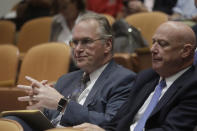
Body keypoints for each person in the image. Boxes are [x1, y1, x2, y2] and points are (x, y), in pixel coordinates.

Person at [7, 13, 136, 130]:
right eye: (75, 42)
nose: (78, 49)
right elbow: (53, 116)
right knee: (11, 122)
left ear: (108, 44)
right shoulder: (66, 79)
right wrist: (41, 106)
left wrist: (61, 104)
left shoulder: (124, 79)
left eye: (86, 41)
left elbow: (112, 123)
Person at [73, 21, 197, 131]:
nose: (153, 49)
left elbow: (170, 129)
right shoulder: (146, 77)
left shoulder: (192, 86)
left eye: (162, 44)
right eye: (153, 42)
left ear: (185, 51)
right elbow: (117, 121)